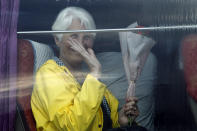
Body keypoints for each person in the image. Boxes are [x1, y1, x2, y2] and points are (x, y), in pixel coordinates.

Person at [31, 7, 145, 131]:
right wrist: (95, 73)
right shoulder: (49, 75)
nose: (81, 43)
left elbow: (103, 124)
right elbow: (72, 127)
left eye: (87, 37)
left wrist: (120, 121)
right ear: (57, 40)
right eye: (74, 36)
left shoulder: (90, 80)